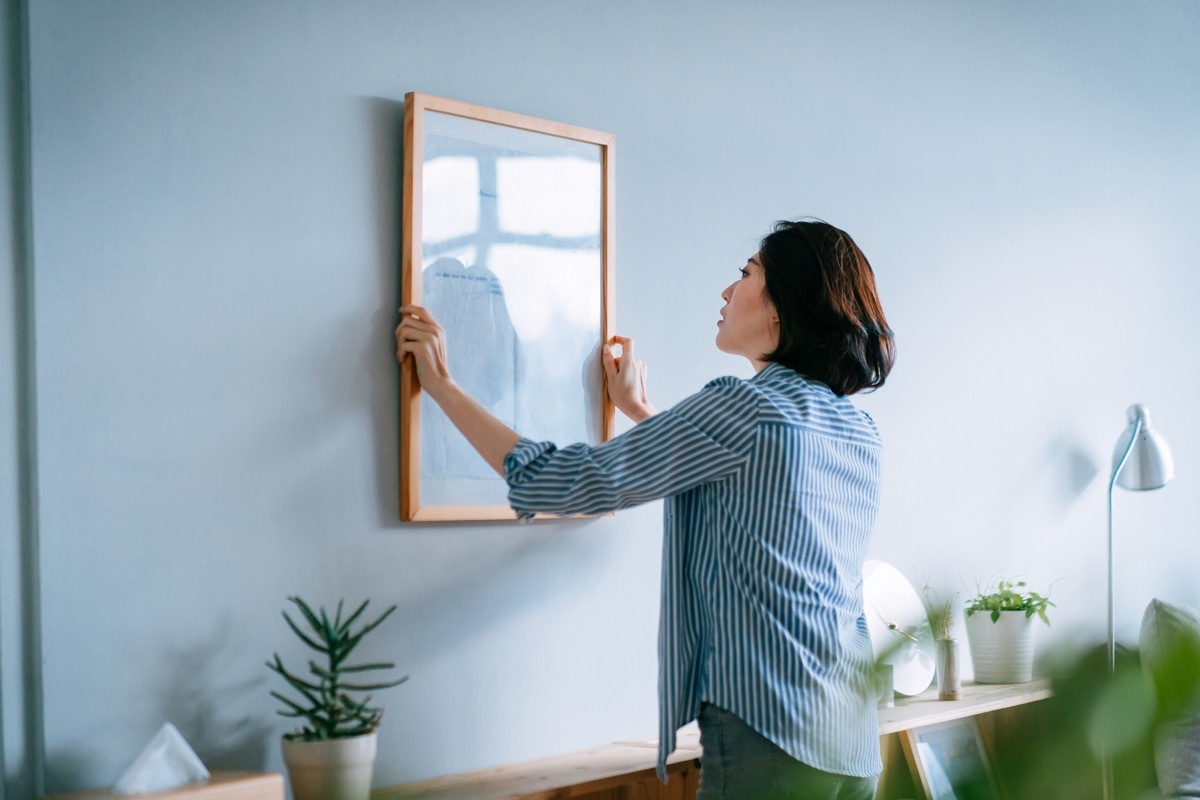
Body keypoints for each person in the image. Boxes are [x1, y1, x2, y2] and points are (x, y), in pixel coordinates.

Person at [395, 218, 895, 800]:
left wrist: (441, 382)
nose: (728, 292)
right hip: (852, 741)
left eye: (747, 273)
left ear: (782, 306)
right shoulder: (856, 428)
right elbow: (745, 486)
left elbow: (565, 481)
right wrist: (638, 408)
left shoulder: (743, 409)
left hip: (775, 734)